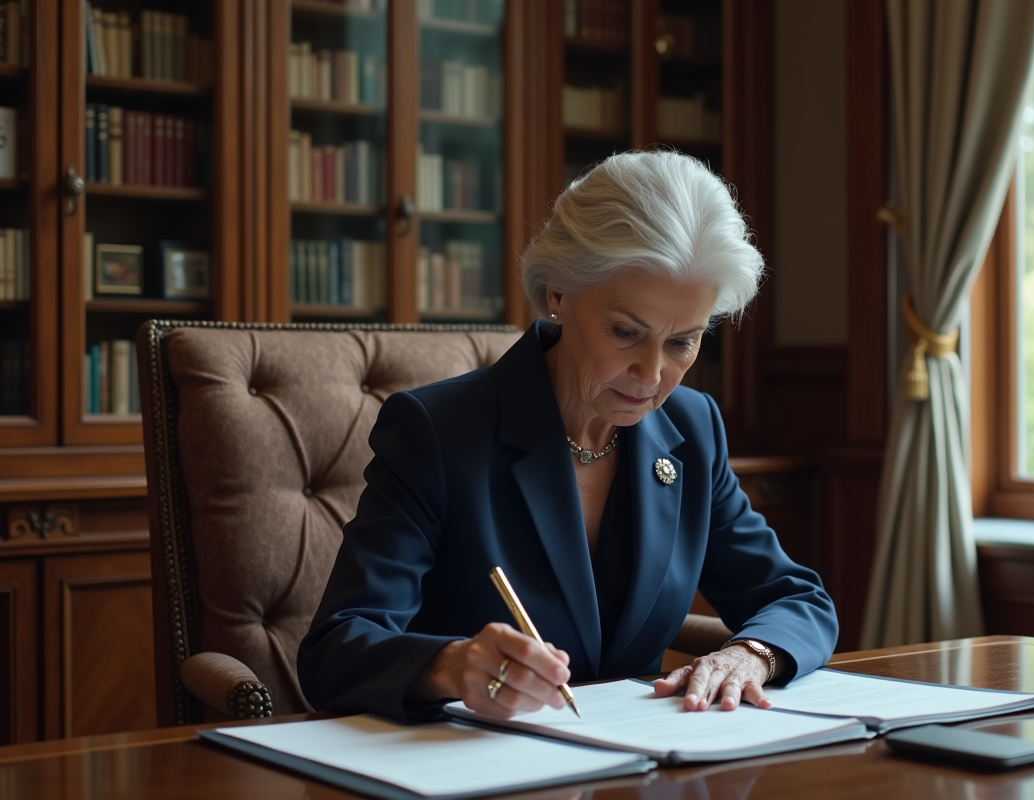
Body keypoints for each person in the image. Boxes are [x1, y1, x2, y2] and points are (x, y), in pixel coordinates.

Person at [298, 150, 838, 722]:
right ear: (558, 293)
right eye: (625, 332)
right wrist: (449, 666)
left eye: (682, 341)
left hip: (646, 753)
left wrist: (752, 654)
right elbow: (334, 650)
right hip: (476, 753)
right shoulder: (436, 431)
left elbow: (798, 599)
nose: (652, 374)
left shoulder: (692, 427)